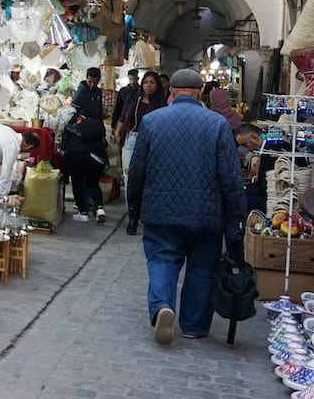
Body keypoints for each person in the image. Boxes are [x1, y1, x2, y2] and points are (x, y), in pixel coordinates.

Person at [127, 68, 247, 345]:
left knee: (162, 261)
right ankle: (193, 325)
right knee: (201, 268)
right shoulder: (216, 125)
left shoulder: (152, 121)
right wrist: (236, 222)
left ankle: (162, 307)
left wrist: (134, 207)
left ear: (171, 92)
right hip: (206, 214)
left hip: (161, 210)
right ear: (201, 91)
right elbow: (230, 177)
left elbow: (137, 170)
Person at [115, 70, 165, 235]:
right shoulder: (134, 99)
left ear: (157, 86)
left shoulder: (161, 104)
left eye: (152, 83)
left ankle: (144, 214)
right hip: (132, 141)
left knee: (147, 180)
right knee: (129, 179)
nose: (148, 86)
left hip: (152, 144)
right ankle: (132, 218)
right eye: (146, 82)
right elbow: (124, 116)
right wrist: (118, 132)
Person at [61, 67, 107, 223]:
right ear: (86, 78)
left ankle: (83, 212)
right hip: (96, 156)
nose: (92, 84)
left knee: (78, 182)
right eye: (90, 81)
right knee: (92, 182)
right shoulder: (81, 93)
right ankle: (99, 208)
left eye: (95, 82)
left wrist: (63, 150)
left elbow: (65, 137)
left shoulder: (73, 123)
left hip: (77, 154)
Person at [111, 68, 140, 134]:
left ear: (138, 78)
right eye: (130, 79)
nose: (132, 81)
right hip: (122, 120)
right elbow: (117, 108)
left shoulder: (141, 91)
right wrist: (113, 125)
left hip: (135, 121)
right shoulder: (123, 91)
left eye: (134, 79)